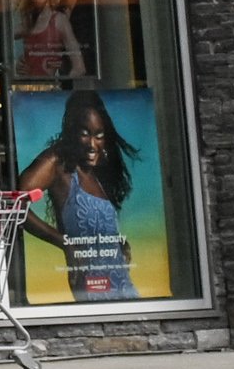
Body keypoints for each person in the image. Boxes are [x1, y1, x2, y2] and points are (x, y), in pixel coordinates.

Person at [14, 86, 141, 301]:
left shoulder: (96, 170)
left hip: (123, 283)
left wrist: (117, 242)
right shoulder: (57, 163)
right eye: (84, 134)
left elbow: (96, 225)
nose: (92, 144)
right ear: (71, 131)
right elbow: (15, 203)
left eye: (99, 135)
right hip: (92, 286)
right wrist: (65, 243)